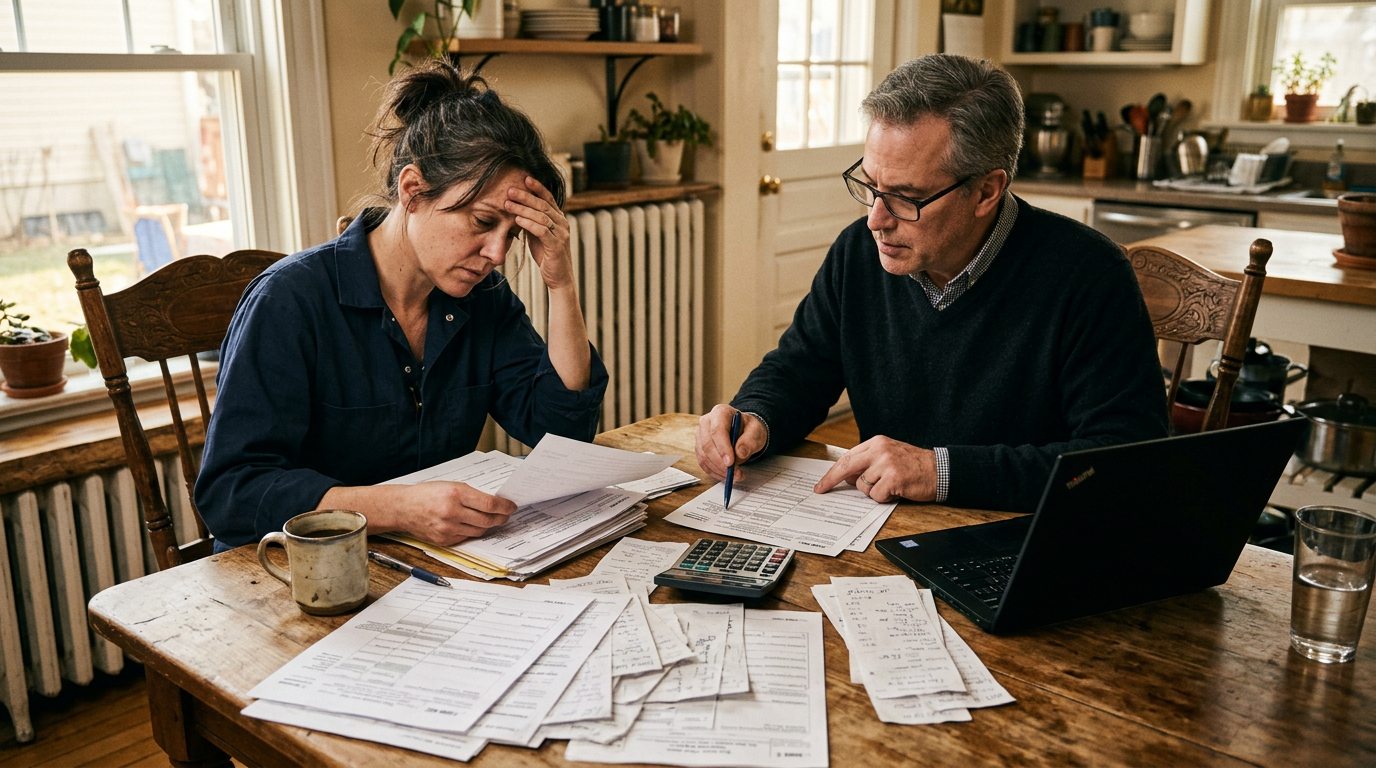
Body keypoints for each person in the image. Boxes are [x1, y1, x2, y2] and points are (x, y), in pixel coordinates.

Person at [696, 54, 1168, 513]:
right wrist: (755, 417)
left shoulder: (1089, 274)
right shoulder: (858, 253)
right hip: (881, 527)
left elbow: (1122, 460)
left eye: (906, 197)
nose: (876, 220)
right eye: (870, 186)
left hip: (1026, 535)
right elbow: (799, 370)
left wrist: (939, 472)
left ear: (986, 191)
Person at [196, 60, 607, 549]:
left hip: (429, 565)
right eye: (482, 222)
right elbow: (231, 493)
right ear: (412, 191)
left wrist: (561, 284)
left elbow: (562, 434)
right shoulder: (288, 302)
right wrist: (398, 508)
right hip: (292, 571)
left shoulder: (484, 299)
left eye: (512, 233)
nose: (497, 254)